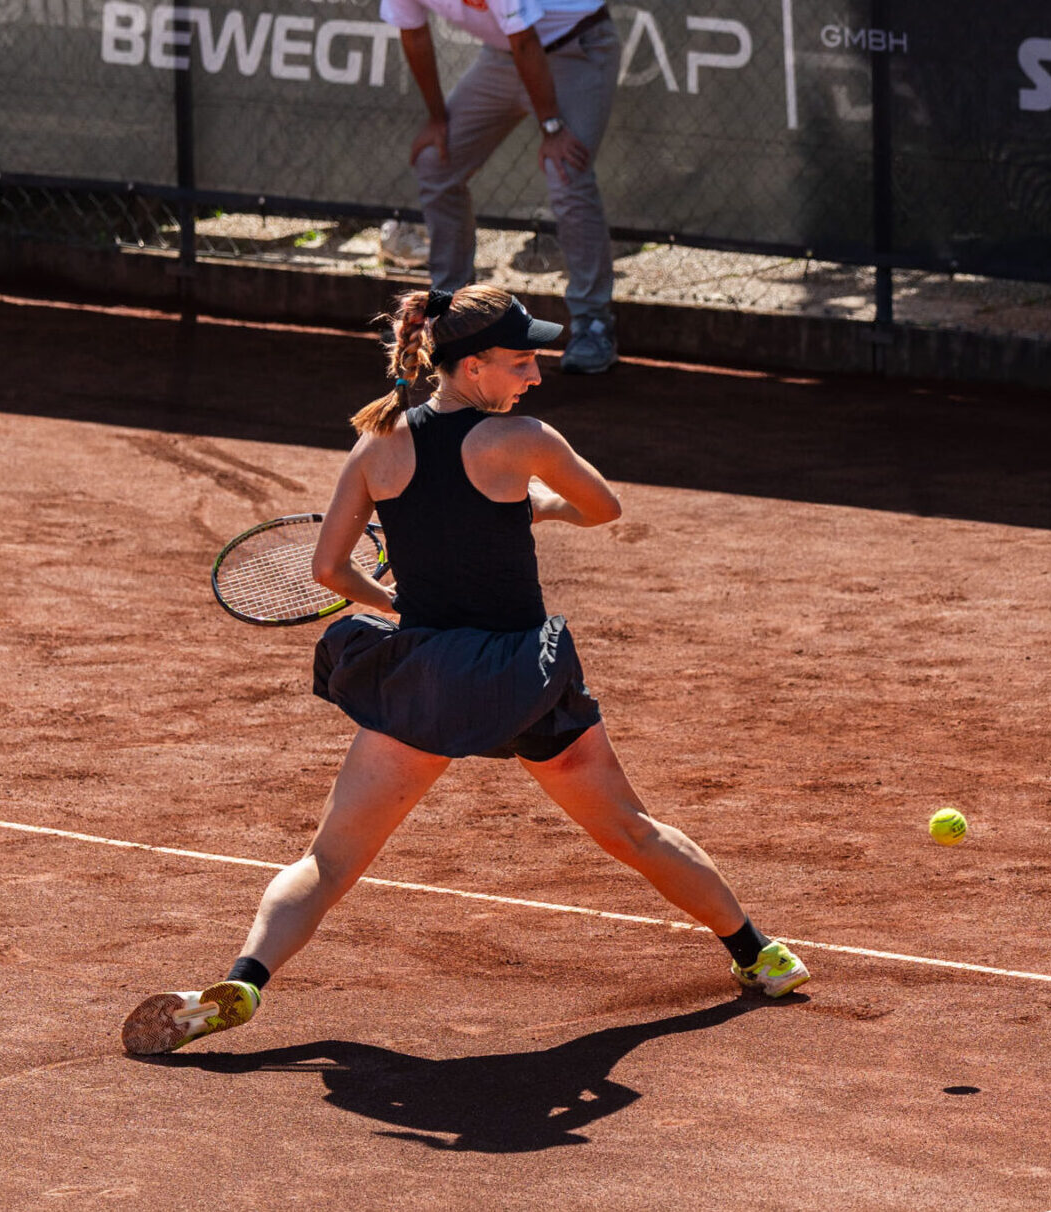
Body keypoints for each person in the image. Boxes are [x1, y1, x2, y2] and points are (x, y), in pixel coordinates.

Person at [121, 285, 809, 1056]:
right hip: (523, 680)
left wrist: (399, 607)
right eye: (521, 361)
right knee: (631, 831)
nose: (536, 376)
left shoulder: (377, 443)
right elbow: (605, 508)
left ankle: (245, 979)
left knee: (330, 858)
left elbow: (328, 569)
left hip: (425, 675)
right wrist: (539, 505)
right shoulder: (523, 439)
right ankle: (761, 957)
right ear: (473, 367)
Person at [382, 0, 621, 374]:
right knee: (436, 162)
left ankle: (593, 323)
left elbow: (526, 42)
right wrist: (436, 118)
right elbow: (413, 34)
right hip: (503, 58)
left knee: (566, 173)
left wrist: (552, 128)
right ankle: (452, 309)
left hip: (577, 49)